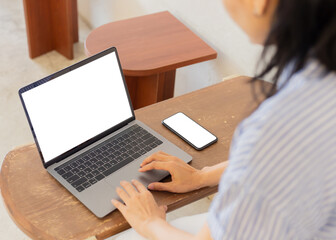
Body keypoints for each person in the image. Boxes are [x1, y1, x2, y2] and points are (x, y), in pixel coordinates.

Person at [111, 0, 336, 239]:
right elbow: (282, 165)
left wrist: (149, 223)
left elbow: (274, 156)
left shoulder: (276, 130)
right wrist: (202, 176)